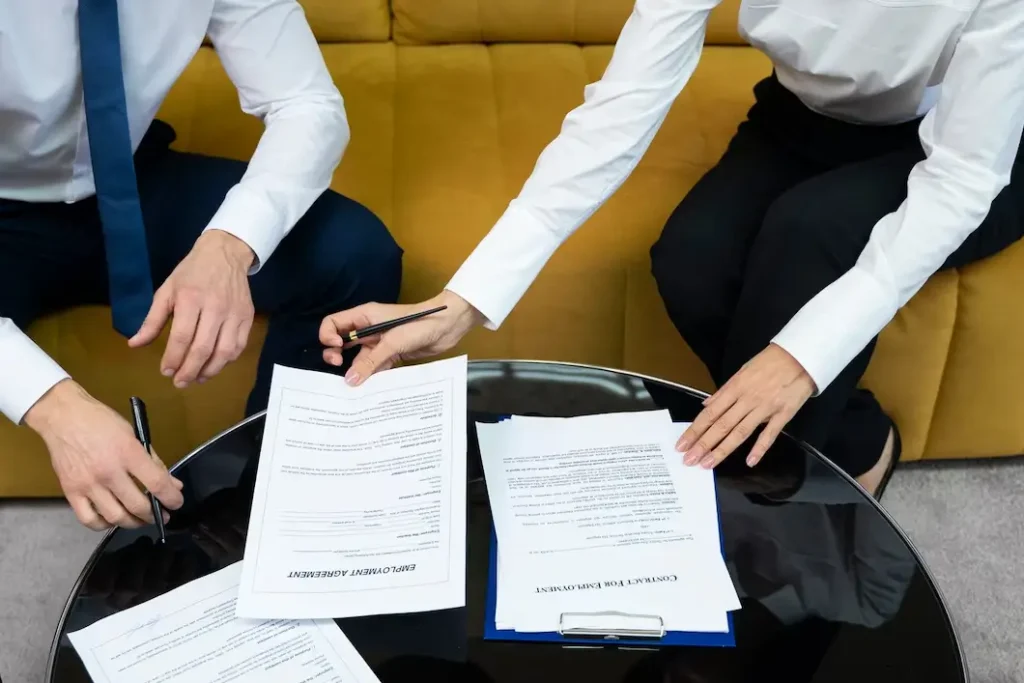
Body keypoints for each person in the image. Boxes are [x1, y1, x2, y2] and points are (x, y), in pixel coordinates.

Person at [320, 0, 1024, 495]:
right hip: (806, 119)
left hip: (977, 148)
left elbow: (962, 179)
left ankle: (776, 510)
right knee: (690, 259)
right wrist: (462, 301)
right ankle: (860, 439)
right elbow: (621, 107)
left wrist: (801, 358)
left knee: (808, 237)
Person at [0, 1, 401, 531]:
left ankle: (275, 514)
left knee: (352, 254)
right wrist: (54, 408)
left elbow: (306, 103)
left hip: (128, 179)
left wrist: (229, 245)